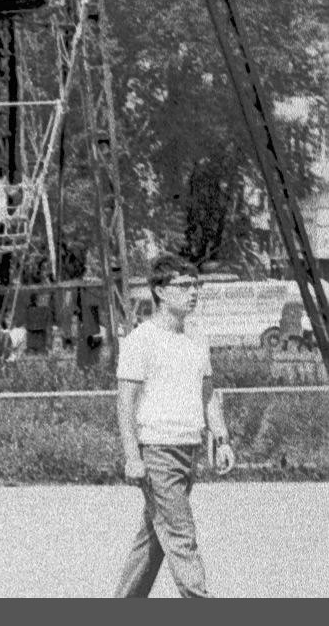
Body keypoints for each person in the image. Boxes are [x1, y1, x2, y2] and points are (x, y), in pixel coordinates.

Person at [114, 255, 235, 598]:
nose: (194, 292)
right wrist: (132, 456)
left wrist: (222, 439)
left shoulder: (197, 338)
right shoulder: (142, 339)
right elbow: (124, 403)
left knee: (153, 539)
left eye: (197, 285)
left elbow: (208, 394)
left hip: (189, 448)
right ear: (160, 292)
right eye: (184, 285)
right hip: (157, 452)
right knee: (181, 536)